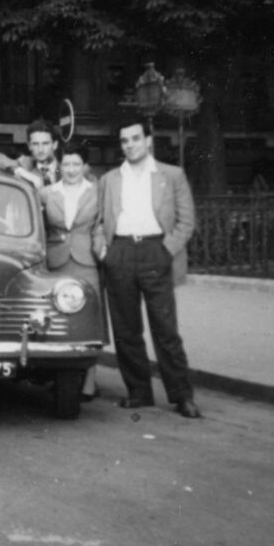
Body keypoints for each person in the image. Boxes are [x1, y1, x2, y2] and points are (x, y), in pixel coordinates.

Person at [97, 114, 201, 419]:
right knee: (126, 329)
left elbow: (187, 220)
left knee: (165, 328)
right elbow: (99, 222)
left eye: (135, 139)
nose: (129, 145)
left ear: (148, 141)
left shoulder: (171, 175)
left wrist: (166, 250)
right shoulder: (110, 180)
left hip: (157, 249)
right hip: (121, 251)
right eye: (124, 141)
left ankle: (182, 395)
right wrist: (104, 251)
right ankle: (139, 392)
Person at [39, 140, 104, 400]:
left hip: (87, 261)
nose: (71, 169)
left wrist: (101, 247)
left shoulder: (96, 192)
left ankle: (89, 382)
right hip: (56, 262)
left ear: (85, 166)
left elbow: (101, 225)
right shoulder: (46, 193)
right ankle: (58, 376)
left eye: (76, 164)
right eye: (66, 164)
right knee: (57, 318)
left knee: (90, 321)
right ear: (59, 164)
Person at [0, 118, 60, 189]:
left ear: (55, 145)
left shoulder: (65, 167)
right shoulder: (25, 164)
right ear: (29, 146)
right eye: (35, 144)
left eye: (45, 143)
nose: (40, 149)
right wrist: (22, 172)